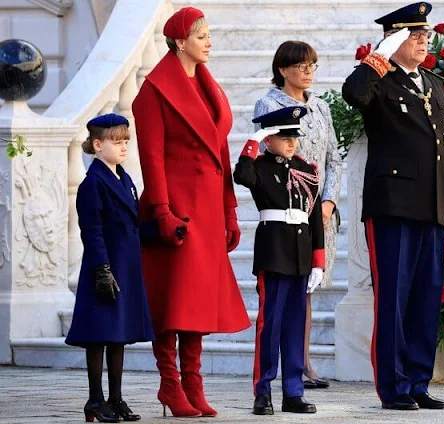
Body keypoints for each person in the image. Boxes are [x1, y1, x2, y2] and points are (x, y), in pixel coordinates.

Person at [342, 2, 444, 411]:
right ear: (394, 39)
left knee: (425, 297)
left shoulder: (434, 82)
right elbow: (352, 93)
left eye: (424, 35)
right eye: (413, 35)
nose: (422, 41)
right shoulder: (379, 80)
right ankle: (393, 387)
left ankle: (417, 381)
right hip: (393, 204)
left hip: (431, 205)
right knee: (393, 297)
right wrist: (380, 54)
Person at [131, 6, 251, 418]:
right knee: (172, 299)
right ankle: (170, 384)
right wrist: (163, 212)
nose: (209, 42)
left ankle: (193, 384)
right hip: (176, 208)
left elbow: (221, 152)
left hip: (209, 208)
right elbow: (152, 158)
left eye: (208, 34)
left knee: (197, 300)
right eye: (202, 36)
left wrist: (230, 211)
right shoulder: (153, 92)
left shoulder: (208, 86)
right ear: (180, 41)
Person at [253, 40, 342, 389]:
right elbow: (264, 153)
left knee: (308, 287)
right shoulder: (269, 103)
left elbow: (334, 157)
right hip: (287, 208)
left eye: (313, 65)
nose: (308, 72)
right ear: (282, 69)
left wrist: (329, 200)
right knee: (287, 292)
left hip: (319, 213)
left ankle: (301, 362)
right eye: (301, 65)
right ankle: (287, 366)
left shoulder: (320, 106)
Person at [234, 106, 324, 415]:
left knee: (295, 326)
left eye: (294, 137)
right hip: (273, 252)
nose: (291, 143)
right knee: (269, 325)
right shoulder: (258, 165)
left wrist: (318, 260)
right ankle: (263, 391)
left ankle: (293, 392)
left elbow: (315, 220)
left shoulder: (307, 169)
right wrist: (253, 141)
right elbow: (241, 175)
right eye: (284, 137)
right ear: (269, 138)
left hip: (300, 253)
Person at [65, 113, 155, 423]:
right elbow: (91, 230)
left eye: (126, 141)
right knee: (98, 334)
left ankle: (115, 398)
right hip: (104, 267)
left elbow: (133, 223)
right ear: (98, 144)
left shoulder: (125, 179)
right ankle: (95, 399)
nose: (124, 146)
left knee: (119, 335)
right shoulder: (93, 182)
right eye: (117, 141)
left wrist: (161, 232)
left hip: (127, 265)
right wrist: (102, 268)